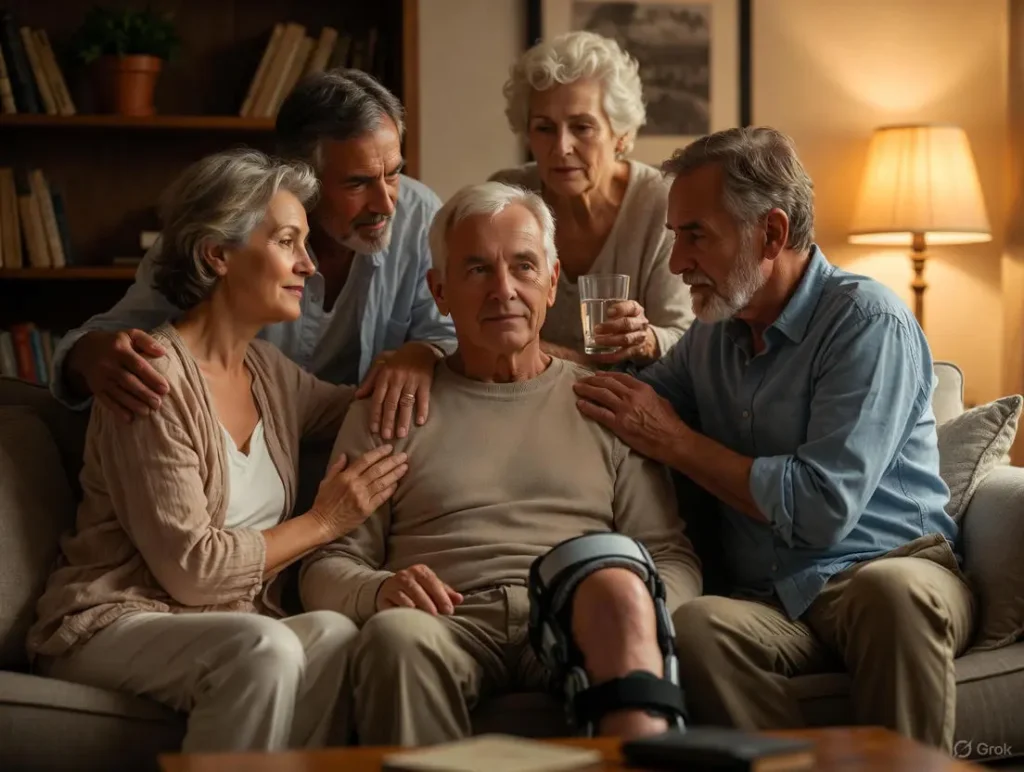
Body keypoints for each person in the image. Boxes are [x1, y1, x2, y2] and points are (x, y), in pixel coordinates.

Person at [573, 126, 975, 752]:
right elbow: (637, 406)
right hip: (773, 600)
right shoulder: (714, 332)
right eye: (675, 237)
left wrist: (678, 442)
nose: (677, 263)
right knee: (696, 623)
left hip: (891, 565)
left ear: (773, 233)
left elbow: (822, 507)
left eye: (696, 235)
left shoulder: (866, 322)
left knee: (890, 595)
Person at [27, 149, 410, 753]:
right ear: (218, 254)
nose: (308, 265)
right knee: (268, 646)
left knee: (336, 635)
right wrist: (323, 522)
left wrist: (417, 359)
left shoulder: (270, 373)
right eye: (288, 242)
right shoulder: (152, 379)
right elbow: (195, 572)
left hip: (221, 626)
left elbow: (370, 407)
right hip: (115, 620)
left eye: (305, 244)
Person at [299, 181, 702, 746]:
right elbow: (328, 562)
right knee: (396, 637)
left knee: (617, 593)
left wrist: (638, 613)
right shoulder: (392, 405)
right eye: (477, 271)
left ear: (553, 281)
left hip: (578, 618)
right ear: (439, 291)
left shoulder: (608, 403)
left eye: (523, 267)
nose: (504, 290)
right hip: (444, 621)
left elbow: (669, 554)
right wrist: (379, 590)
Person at [51, 69, 455, 441]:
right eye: (358, 183)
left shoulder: (420, 217)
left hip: (353, 440)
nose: (386, 203)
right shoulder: (221, 230)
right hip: (238, 450)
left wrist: (422, 353)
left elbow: (448, 337)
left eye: (393, 173)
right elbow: (110, 337)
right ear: (304, 179)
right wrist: (88, 357)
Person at [491, 31, 693, 367]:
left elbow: (686, 337)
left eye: (582, 127)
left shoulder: (663, 201)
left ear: (621, 134)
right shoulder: (509, 197)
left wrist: (644, 339)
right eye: (544, 128)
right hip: (530, 397)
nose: (561, 147)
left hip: (634, 397)